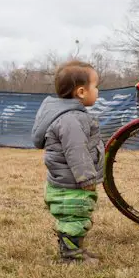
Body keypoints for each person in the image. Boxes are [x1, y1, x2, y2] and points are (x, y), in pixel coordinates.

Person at [32, 60, 104, 264]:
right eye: (96, 86)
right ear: (81, 92)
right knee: (74, 220)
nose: (98, 91)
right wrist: (87, 178)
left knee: (76, 219)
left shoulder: (67, 115)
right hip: (72, 186)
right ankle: (71, 256)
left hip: (64, 184)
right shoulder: (71, 119)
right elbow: (76, 151)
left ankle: (75, 250)